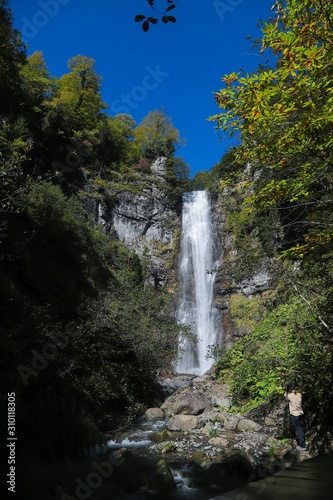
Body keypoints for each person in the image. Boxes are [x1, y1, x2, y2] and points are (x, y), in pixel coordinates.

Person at [284, 384, 307, 451]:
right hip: (301, 413)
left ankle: (302, 445)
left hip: (294, 414)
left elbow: (285, 395)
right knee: (301, 428)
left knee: (298, 429)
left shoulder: (289, 396)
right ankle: (302, 442)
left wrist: (287, 391)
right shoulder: (299, 395)